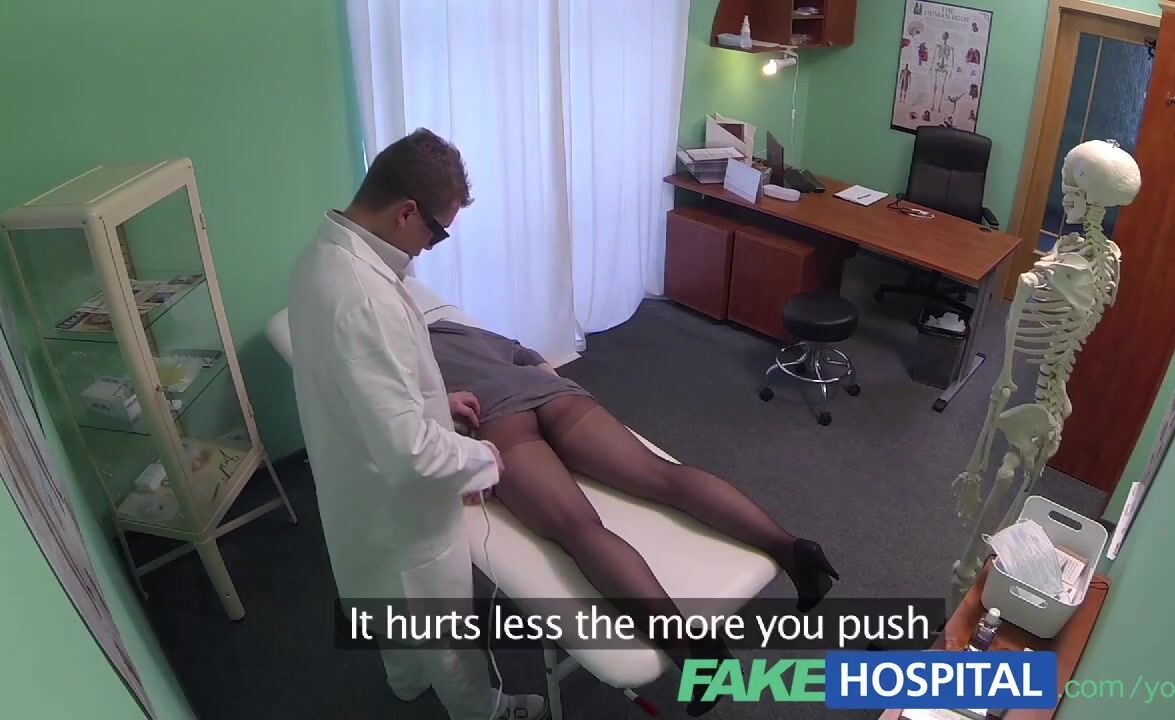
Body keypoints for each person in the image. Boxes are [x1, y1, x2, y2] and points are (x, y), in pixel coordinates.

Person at [427, 319, 841, 717]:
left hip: (497, 419)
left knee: (577, 528)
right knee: (662, 476)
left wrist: (462, 459)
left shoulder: (404, 356)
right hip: (554, 394)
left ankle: (692, 651)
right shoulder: (453, 327)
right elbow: (525, 354)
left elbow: (413, 434)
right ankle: (792, 550)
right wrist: (549, 385)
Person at [289, 129, 545, 720]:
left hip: (352, 480)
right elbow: (411, 453)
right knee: (442, 624)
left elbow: (362, 380)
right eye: (437, 231)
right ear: (407, 210)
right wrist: (483, 461)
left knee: (385, 605)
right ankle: (483, 710)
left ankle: (405, 681)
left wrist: (434, 400)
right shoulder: (366, 298)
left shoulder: (322, 256)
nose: (432, 247)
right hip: (400, 510)